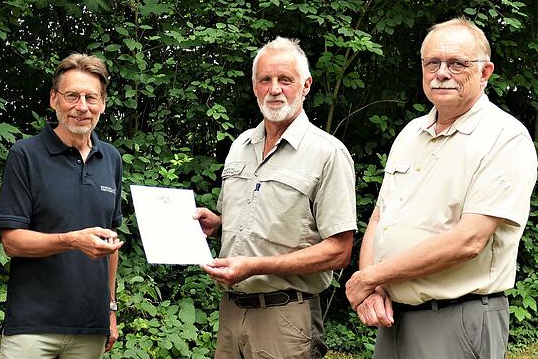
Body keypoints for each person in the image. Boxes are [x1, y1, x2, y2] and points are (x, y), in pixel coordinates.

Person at [346, 18, 538, 358]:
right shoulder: (410, 133)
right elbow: (380, 220)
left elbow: (469, 241)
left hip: (458, 319)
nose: (442, 72)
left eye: (457, 63)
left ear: (485, 72)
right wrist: (372, 286)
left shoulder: (504, 138)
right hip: (394, 320)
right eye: (432, 63)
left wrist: (369, 277)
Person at [194, 37, 357, 359]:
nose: (274, 89)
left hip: (286, 315)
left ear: (306, 85)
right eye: (265, 80)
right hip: (231, 311)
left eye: (285, 80)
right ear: (255, 87)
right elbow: (263, 218)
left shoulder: (328, 153)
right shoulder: (241, 144)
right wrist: (219, 224)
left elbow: (340, 251)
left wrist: (257, 266)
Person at [0, 54, 123, 358]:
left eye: (91, 97)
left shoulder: (112, 159)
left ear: (103, 104)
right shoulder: (25, 155)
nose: (82, 106)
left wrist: (110, 309)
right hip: (31, 326)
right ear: (54, 99)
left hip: (89, 327)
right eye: (72, 96)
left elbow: (112, 243)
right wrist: (72, 241)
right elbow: (11, 242)